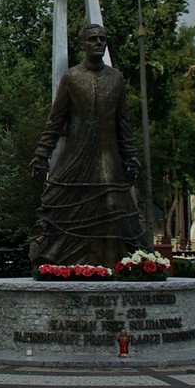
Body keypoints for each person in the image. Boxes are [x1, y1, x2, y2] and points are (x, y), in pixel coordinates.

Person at [28, 24, 146, 269]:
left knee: (114, 208)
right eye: (93, 39)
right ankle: (62, 264)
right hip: (77, 157)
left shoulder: (115, 78)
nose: (98, 43)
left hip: (109, 158)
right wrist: (42, 153)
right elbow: (56, 119)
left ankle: (116, 266)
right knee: (66, 209)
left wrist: (130, 154)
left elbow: (123, 121)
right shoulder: (72, 77)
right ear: (82, 44)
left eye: (103, 39)